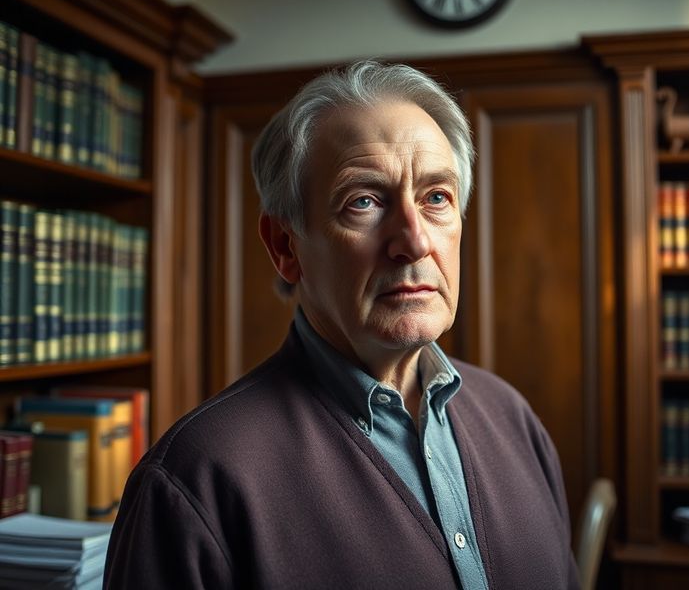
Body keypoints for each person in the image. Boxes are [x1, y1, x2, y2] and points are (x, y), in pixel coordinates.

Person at [104, 60, 579, 589]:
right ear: (285, 247)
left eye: (436, 198)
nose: (415, 242)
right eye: (365, 202)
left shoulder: (514, 419)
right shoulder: (193, 482)